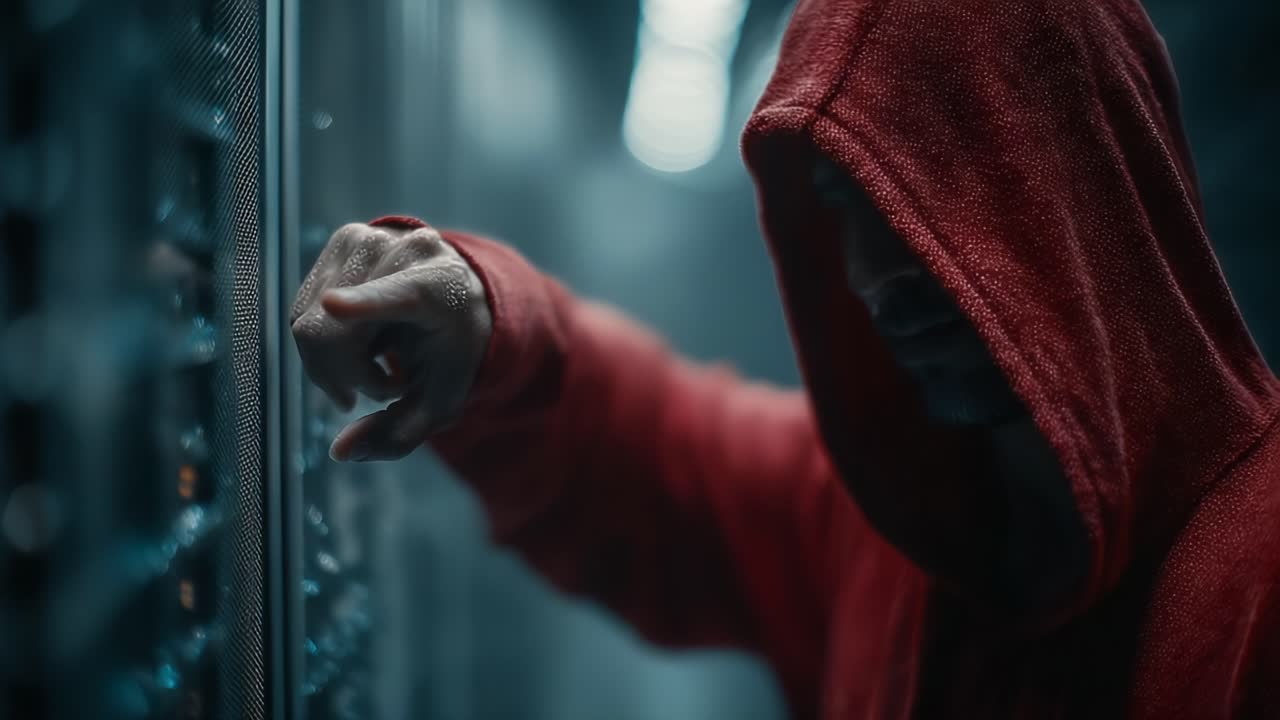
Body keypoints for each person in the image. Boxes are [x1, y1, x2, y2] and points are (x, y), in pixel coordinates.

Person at [290, 0, 1280, 716]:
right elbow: (657, 441)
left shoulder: (1255, 571)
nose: (872, 279)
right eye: (845, 210)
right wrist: (489, 319)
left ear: (1088, 177)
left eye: (926, 198)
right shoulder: (890, 516)